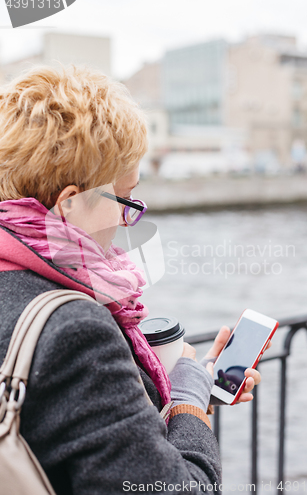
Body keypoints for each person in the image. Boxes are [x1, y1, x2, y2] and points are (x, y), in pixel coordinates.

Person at [0, 66, 267, 495]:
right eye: (124, 197)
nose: (129, 220)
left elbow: (58, 427)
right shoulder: (75, 331)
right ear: (70, 204)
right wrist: (186, 401)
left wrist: (144, 384)